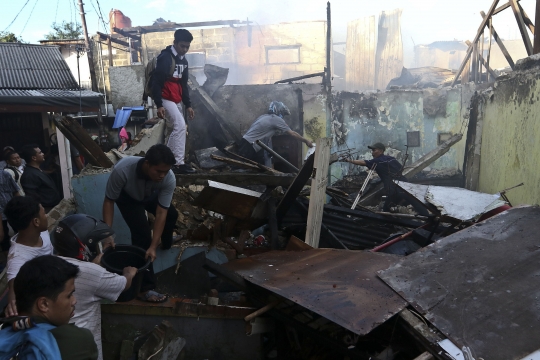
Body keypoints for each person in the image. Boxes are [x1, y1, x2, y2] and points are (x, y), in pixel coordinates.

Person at [53, 214, 137, 360]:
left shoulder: (47, 263)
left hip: (55, 345)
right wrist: (129, 273)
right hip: (84, 348)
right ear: (84, 248)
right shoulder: (92, 273)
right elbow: (123, 284)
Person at [102, 144, 178, 303]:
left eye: (165, 171)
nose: (162, 175)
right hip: (128, 199)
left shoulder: (168, 177)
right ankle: (145, 288)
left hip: (150, 194)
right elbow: (109, 202)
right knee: (142, 235)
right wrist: (107, 234)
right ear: (147, 163)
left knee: (172, 214)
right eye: (159, 171)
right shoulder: (122, 170)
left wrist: (154, 245)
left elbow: (161, 212)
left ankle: (165, 242)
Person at [0, 255, 98, 360]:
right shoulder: (79, 340)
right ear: (44, 304)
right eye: (69, 295)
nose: (74, 301)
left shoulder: (4, 328)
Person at [151, 28, 196, 174]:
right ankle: (177, 163)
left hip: (175, 98)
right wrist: (158, 104)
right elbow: (156, 82)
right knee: (180, 126)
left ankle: (168, 161)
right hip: (165, 97)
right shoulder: (165, 57)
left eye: (187, 47)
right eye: (182, 46)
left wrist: (188, 105)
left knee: (176, 129)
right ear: (175, 43)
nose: (184, 49)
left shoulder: (184, 61)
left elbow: (184, 84)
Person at [344, 142, 429, 215]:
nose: (372, 153)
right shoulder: (391, 159)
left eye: (374, 150)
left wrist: (349, 160)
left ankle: (387, 224)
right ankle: (428, 219)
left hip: (393, 189)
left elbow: (363, 162)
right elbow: (400, 169)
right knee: (415, 203)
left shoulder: (377, 161)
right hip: (404, 185)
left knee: (386, 209)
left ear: (381, 151)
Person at [4, 196, 53, 317]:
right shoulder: (18, 258)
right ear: (36, 222)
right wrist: (14, 304)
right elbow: (14, 287)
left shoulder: (41, 232)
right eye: (44, 214)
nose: (46, 216)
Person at [238, 101, 313, 166]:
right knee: (240, 168)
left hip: (245, 142)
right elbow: (292, 133)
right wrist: (306, 141)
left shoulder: (263, 117)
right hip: (249, 146)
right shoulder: (276, 119)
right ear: (279, 111)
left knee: (252, 167)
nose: (283, 116)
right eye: (283, 113)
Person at [20, 144, 61, 211]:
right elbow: (33, 198)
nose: (43, 154)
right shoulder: (29, 175)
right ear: (34, 158)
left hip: (53, 207)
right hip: (46, 210)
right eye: (40, 153)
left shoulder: (38, 171)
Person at [0, 170, 20, 252]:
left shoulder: (4, 174)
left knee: (21, 230)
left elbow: (15, 190)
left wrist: (19, 207)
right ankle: (7, 257)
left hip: (11, 209)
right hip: (1, 213)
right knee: (3, 238)